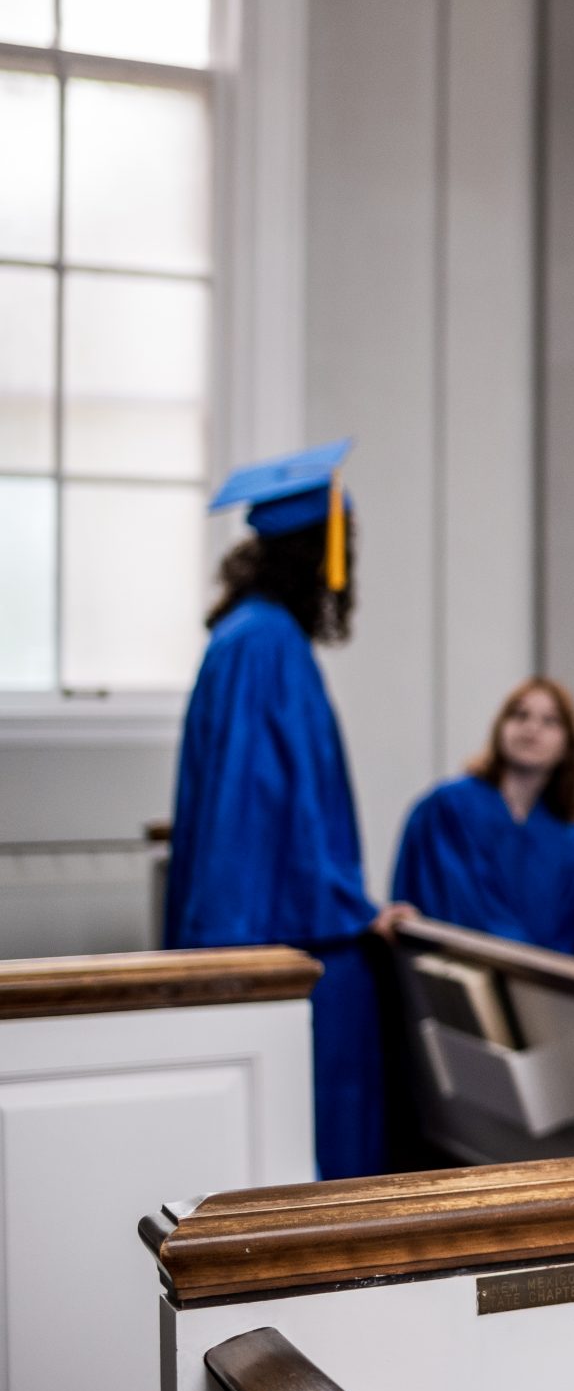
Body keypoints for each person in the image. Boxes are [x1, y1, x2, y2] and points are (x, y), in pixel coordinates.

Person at [167, 439, 406, 1181]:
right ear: (316, 553)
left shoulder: (251, 635)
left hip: (279, 928)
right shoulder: (265, 645)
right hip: (291, 942)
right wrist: (350, 907)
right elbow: (258, 811)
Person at [391, 678, 574, 963]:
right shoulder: (449, 809)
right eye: (520, 715)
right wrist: (532, 967)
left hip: (553, 994)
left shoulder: (573, 839)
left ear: (568, 746)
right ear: (500, 728)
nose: (532, 728)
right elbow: (460, 910)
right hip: (464, 978)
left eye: (550, 721)